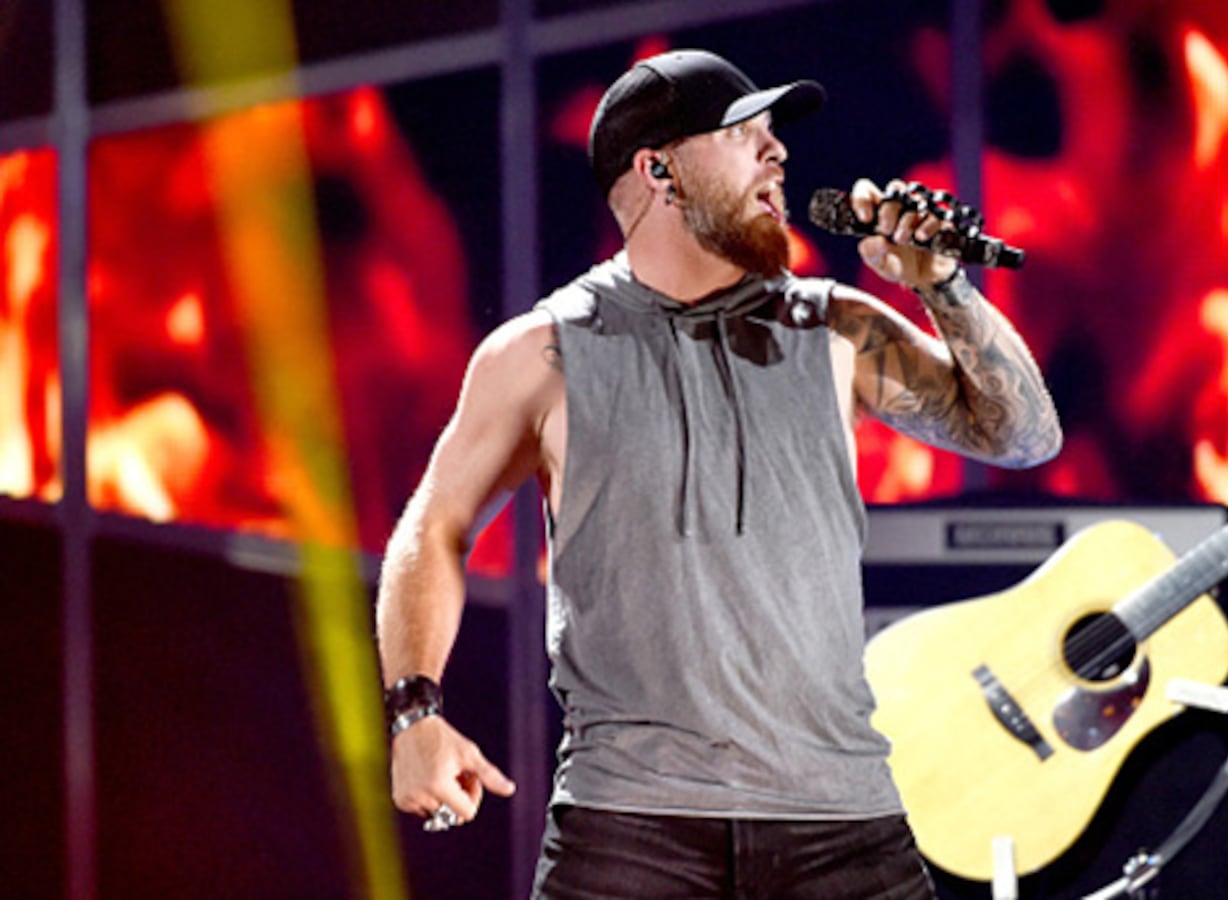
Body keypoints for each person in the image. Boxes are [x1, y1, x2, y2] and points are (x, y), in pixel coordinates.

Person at [376, 48, 1063, 897]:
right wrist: (416, 714)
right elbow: (433, 529)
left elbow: (1024, 437)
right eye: (746, 136)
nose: (778, 155)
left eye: (775, 136)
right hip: (628, 831)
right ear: (658, 168)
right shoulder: (544, 353)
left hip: (841, 825)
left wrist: (945, 288)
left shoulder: (833, 327)